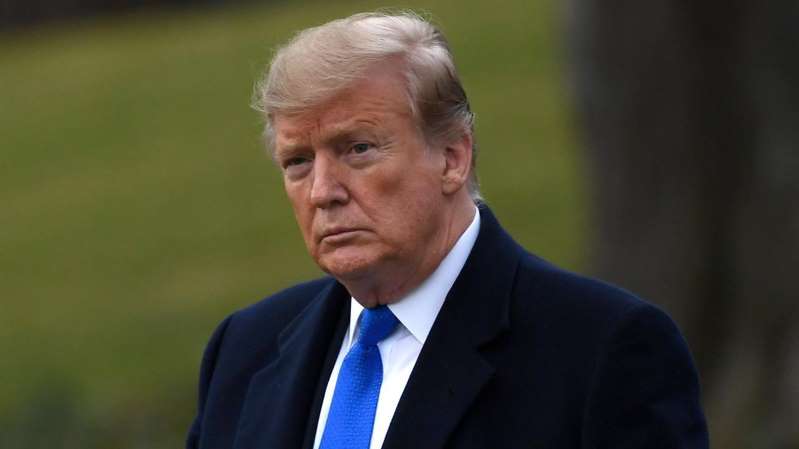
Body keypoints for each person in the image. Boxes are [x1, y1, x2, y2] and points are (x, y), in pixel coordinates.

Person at [186, 11, 709, 449]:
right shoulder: (244, 350)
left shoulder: (602, 349)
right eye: (298, 161)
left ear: (453, 157)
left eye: (358, 149)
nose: (323, 191)